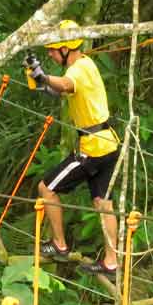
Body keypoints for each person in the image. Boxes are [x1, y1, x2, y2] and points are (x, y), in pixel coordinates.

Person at [27, 19, 122, 276]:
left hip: (92, 148)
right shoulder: (86, 64)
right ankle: (112, 261)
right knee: (103, 203)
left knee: (46, 188)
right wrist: (41, 80)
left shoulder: (77, 70)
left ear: (66, 49)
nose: (50, 53)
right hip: (108, 144)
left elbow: (66, 84)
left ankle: (59, 245)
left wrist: (44, 76)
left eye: (53, 50)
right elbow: (59, 91)